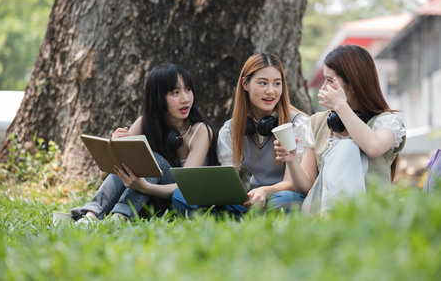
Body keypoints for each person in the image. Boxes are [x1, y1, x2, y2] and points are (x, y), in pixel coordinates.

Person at [71, 63, 218, 222]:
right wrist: (115, 148)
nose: (185, 98)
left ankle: (118, 219)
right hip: (146, 205)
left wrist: (144, 186)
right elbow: (104, 175)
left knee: (153, 160)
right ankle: (90, 217)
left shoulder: (201, 131)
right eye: (176, 92)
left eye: (188, 90)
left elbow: (187, 187)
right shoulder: (144, 124)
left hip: (176, 203)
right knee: (133, 161)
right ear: (158, 97)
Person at [275, 44, 406, 216]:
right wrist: (291, 160)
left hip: (373, 214)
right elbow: (308, 186)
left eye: (329, 81)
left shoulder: (387, 121)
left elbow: (374, 147)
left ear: (353, 84)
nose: (323, 89)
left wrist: (340, 105)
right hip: (320, 210)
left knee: (347, 147)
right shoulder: (316, 123)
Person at [172, 52, 308, 216]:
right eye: (263, 83)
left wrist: (266, 191)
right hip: (253, 200)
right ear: (245, 84)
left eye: (277, 84)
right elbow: (228, 181)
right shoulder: (231, 129)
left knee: (284, 200)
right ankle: (245, 218)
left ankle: (232, 220)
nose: (271, 91)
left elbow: (293, 183)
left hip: (281, 197)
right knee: (181, 196)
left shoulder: (298, 124)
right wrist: (240, 197)